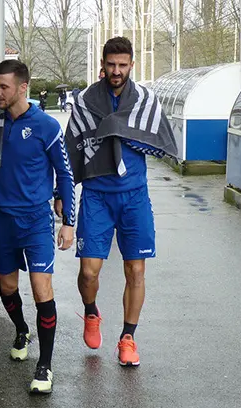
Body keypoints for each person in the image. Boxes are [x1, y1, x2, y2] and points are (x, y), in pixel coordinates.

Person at [66, 37, 176, 367]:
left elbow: (158, 138)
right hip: (97, 195)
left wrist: (122, 130)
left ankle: (128, 338)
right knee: (89, 272)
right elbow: (73, 145)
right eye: (111, 65)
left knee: (136, 269)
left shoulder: (144, 99)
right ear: (103, 64)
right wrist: (63, 193)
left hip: (134, 196)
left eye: (123, 65)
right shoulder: (86, 100)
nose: (117, 71)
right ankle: (90, 312)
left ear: (131, 65)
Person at [0, 60, 75, 394]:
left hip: (36, 220)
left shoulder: (46, 126)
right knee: (7, 288)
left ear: (23, 87)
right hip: (2, 220)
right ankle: (21, 330)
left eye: (3, 87)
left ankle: (44, 365)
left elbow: (65, 174)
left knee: (41, 290)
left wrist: (69, 222)